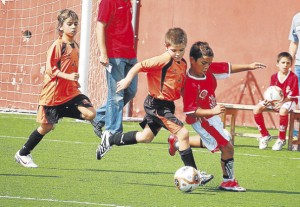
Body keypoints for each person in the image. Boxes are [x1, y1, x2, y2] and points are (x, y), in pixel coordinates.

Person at [96, 28, 213, 185]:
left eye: (181, 50)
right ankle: (196, 175)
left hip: (166, 106)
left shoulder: (183, 63)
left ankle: (111, 139)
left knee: (146, 137)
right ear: (166, 45)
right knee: (183, 134)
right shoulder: (163, 59)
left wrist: (192, 105)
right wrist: (127, 80)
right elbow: (140, 65)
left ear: (185, 46)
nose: (177, 53)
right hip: (157, 106)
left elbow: (181, 87)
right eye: (174, 50)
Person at [168, 41, 266, 192]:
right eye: (203, 63)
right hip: (202, 119)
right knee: (227, 147)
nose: (207, 66)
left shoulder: (209, 69)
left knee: (217, 141)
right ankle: (229, 181)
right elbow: (190, 111)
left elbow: (228, 68)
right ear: (192, 60)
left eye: (209, 63)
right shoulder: (190, 83)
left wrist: (249, 66)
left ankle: (178, 142)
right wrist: (212, 112)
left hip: (212, 117)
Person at [14, 9, 96, 168]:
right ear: (61, 27)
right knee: (47, 127)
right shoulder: (57, 46)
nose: (73, 27)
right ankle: (23, 153)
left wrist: (73, 81)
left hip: (70, 93)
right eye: (69, 24)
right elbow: (51, 70)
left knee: (90, 113)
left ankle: (65, 112)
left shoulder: (75, 45)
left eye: (75, 24)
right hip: (53, 95)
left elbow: (69, 67)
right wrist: (68, 77)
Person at [91, 0, 138, 137]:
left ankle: (99, 117)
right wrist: (103, 53)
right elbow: (100, 26)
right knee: (116, 95)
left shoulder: (128, 1)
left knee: (131, 91)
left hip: (130, 54)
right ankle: (113, 131)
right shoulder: (107, 2)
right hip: (114, 54)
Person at [253, 52, 298, 151]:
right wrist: (269, 101)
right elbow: (272, 92)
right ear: (277, 64)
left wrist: (281, 103)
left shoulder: (293, 77)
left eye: (288, 63)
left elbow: (291, 96)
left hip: (290, 100)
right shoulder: (274, 76)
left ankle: (281, 139)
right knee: (257, 109)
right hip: (276, 101)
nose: (285, 65)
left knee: (283, 110)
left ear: (291, 64)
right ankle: (264, 135)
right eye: (283, 62)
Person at [289, 12, 300, 138]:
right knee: (297, 99)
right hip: (298, 66)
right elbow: (294, 42)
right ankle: (297, 135)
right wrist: (289, 61)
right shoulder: (296, 18)